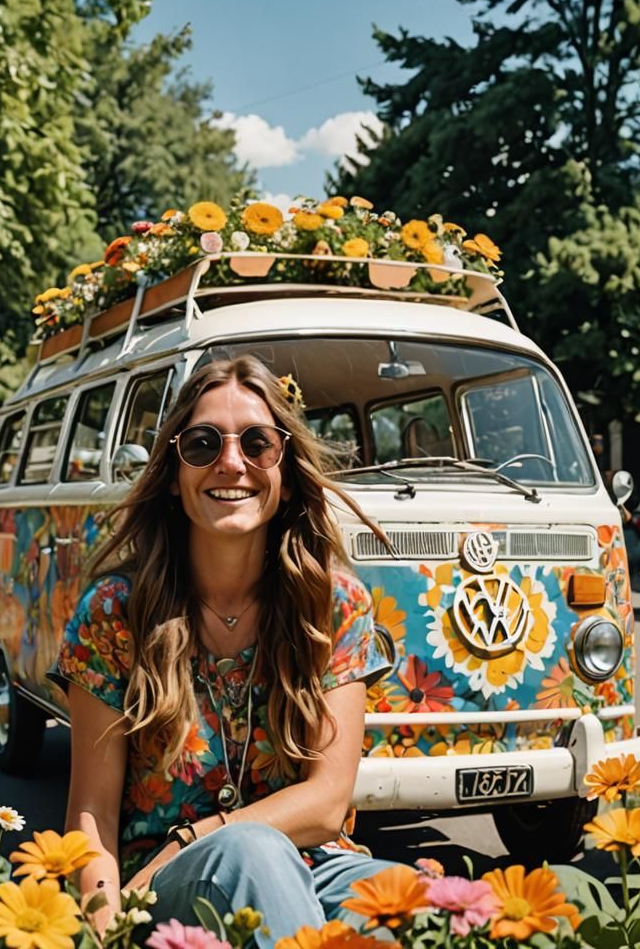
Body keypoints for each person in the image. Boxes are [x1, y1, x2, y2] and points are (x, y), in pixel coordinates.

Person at [52, 356, 396, 943]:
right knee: (250, 853)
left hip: (318, 863)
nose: (231, 462)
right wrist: (107, 930)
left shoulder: (333, 605)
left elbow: (326, 804)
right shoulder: (114, 613)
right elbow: (93, 815)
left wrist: (199, 832)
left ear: (286, 470)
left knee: (427, 902)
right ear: (173, 474)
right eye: (202, 444)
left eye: (258, 444)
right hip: (162, 881)